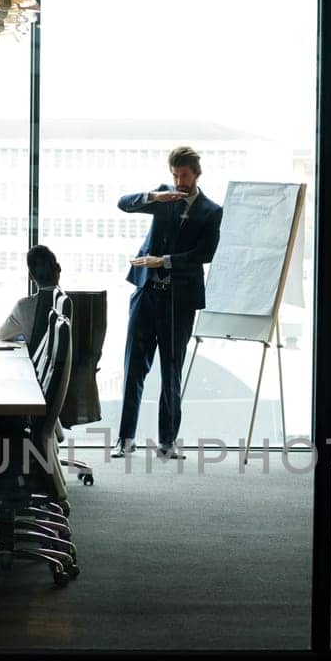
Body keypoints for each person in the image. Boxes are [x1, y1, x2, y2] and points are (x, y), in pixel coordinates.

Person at [113, 145, 222, 460]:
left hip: (179, 302)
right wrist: (153, 197)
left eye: (183, 175)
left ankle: (167, 442)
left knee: (171, 371)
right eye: (174, 175)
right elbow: (123, 204)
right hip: (146, 296)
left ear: (196, 174)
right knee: (134, 368)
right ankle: (126, 440)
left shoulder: (211, 211)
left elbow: (206, 254)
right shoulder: (163, 197)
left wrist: (165, 261)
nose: (178, 181)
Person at [0, 245, 61, 343]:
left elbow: (3, 334)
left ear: (30, 276)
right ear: (59, 269)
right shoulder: (73, 303)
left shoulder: (23, 306)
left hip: (33, 358)